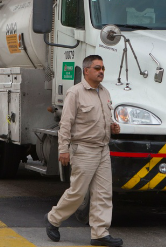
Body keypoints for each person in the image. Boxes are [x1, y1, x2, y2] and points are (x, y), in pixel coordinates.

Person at [44, 55, 123, 247]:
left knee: (103, 194)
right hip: (83, 149)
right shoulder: (75, 93)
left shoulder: (104, 92)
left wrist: (113, 127)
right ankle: (53, 219)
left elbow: (104, 118)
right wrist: (63, 150)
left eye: (103, 68)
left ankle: (99, 233)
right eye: (97, 68)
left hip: (103, 149)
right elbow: (65, 124)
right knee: (78, 193)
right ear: (86, 71)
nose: (101, 71)